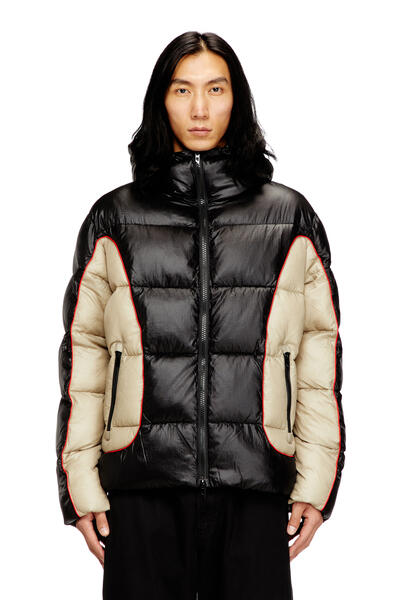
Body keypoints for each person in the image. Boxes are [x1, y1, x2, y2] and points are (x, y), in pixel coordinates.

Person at [55, 31, 346, 600]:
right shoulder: (114, 218)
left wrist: (316, 481)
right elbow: (84, 361)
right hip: (141, 488)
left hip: (255, 485)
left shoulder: (288, 219)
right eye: (182, 90)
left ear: (237, 99)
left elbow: (320, 359)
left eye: (215, 89)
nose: (199, 109)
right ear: (160, 101)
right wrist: (81, 486)